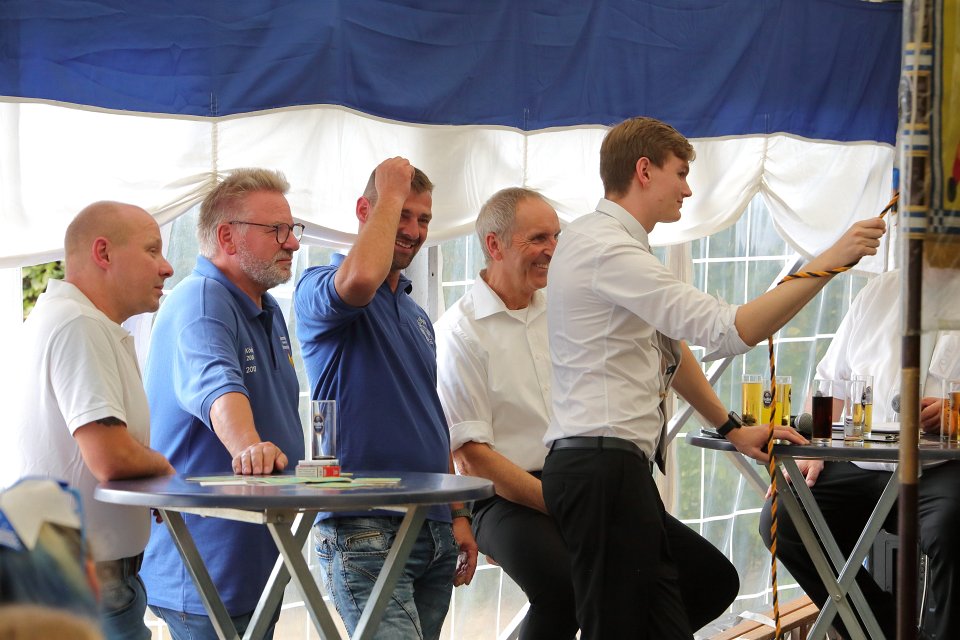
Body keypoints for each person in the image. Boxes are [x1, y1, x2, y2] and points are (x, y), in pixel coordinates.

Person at [542, 115, 886, 640]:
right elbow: (728, 330)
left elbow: (671, 349)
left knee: (706, 581)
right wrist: (828, 263)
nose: (688, 189)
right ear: (643, 171)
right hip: (600, 469)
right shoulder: (606, 248)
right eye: (680, 173)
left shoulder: (612, 245)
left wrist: (731, 427)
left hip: (612, 470)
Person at [435, 187, 740, 639]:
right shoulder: (459, 332)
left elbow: (665, 340)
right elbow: (472, 458)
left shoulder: (569, 302)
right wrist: (562, 502)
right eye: (538, 238)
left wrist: (730, 426)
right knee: (567, 589)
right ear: (494, 245)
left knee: (710, 579)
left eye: (557, 236)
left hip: (585, 483)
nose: (553, 249)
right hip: (504, 499)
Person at [294, 157, 478, 639]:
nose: (414, 231)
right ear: (365, 211)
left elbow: (429, 416)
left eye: (423, 219)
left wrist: (457, 513)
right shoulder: (319, 285)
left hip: (432, 522)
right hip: (364, 524)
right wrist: (389, 192)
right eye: (401, 215)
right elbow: (359, 280)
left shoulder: (416, 314)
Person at [140, 169, 305, 640]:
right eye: (277, 230)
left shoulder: (266, 308)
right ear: (228, 237)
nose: (292, 243)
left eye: (293, 229)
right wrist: (249, 446)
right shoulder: (202, 300)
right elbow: (218, 388)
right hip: (207, 569)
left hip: (253, 564)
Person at [1, 201, 175, 640]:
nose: (167, 266)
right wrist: (162, 469)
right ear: (103, 253)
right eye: (152, 250)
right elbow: (111, 457)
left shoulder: (64, 318)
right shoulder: (80, 324)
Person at [760, 268, 960, 639]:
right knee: (787, 517)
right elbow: (831, 383)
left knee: (951, 528)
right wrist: (812, 448)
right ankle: (886, 633)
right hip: (862, 461)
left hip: (942, 468)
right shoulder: (879, 290)